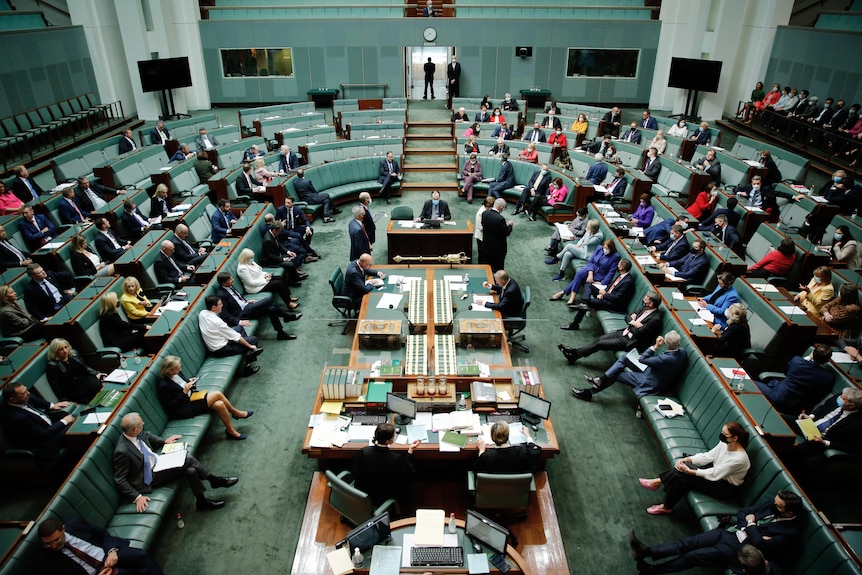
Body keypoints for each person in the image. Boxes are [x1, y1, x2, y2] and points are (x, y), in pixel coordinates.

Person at [628, 491, 803, 575]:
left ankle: (653, 570)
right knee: (687, 543)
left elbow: (759, 545)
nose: (773, 505)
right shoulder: (773, 504)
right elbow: (743, 512)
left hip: (738, 550)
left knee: (692, 556)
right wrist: (751, 528)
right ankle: (647, 551)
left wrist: (751, 523)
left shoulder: (790, 533)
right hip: (728, 531)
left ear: (788, 513)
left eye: (778, 506)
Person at [114, 412, 237, 512]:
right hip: (150, 476)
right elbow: (119, 479)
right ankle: (214, 480)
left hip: (159, 462)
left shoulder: (135, 433)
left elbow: (147, 435)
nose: (143, 426)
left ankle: (202, 502)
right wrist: (137, 497)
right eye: (142, 425)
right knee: (187, 458)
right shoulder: (122, 451)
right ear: (135, 430)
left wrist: (163, 441)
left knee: (191, 470)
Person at [637, 421, 750, 515]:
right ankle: (665, 503)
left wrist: (690, 471)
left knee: (683, 474)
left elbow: (715, 474)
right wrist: (689, 460)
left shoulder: (739, 459)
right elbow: (709, 456)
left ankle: (657, 484)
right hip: (715, 473)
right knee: (682, 478)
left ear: (735, 438)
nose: (722, 435)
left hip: (723, 487)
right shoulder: (726, 443)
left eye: (725, 434)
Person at [573, 330, 688, 402]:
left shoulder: (664, 359)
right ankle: (600, 379)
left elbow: (643, 359)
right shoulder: (683, 352)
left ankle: (589, 392)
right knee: (625, 358)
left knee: (618, 374)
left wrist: (655, 346)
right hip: (654, 371)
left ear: (666, 344)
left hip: (651, 381)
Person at [157, 355, 252, 441]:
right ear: (169, 370)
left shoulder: (177, 373)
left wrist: (189, 381)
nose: (179, 369)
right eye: (177, 369)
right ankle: (236, 413)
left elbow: (182, 383)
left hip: (192, 397)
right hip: (184, 408)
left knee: (220, 404)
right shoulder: (163, 386)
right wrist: (184, 392)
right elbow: (171, 406)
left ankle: (230, 431)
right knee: (217, 394)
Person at [39, 515, 165, 575]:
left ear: (63, 529)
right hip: (96, 573)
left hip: (107, 555)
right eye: (47, 544)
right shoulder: (49, 559)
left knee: (141, 555)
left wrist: (111, 551)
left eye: (56, 540)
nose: (53, 546)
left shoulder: (75, 524)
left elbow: (103, 535)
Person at [559, 292, 663, 365]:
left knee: (600, 344)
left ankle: (574, 354)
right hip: (625, 332)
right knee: (600, 339)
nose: (643, 302)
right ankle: (575, 354)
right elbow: (627, 317)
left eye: (645, 301)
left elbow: (639, 333)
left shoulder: (655, 319)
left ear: (651, 304)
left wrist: (632, 323)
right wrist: (633, 322)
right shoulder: (644, 308)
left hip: (631, 342)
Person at [0, 382, 75, 471]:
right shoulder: (18, 418)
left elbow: (33, 398)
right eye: (24, 393)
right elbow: (43, 434)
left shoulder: (21, 398)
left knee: (69, 417)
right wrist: (64, 421)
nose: (28, 393)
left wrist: (51, 405)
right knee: (72, 429)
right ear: (13, 400)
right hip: (43, 442)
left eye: (26, 390)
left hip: (46, 425)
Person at [216, 271, 298, 342]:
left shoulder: (229, 285)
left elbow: (236, 298)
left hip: (247, 306)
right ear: (224, 283)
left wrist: (245, 301)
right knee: (268, 300)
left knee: (271, 309)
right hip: (242, 313)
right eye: (230, 279)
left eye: (231, 278)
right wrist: (239, 322)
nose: (232, 280)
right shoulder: (221, 294)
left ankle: (281, 333)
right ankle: (287, 316)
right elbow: (224, 314)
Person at [353, 422, 420, 509]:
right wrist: (410, 449)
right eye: (394, 435)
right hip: (383, 495)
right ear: (388, 441)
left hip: (364, 489)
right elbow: (409, 473)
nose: (395, 436)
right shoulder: (395, 459)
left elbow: (356, 469)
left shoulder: (365, 451)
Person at [755, 345, 835, 415]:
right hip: (794, 407)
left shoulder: (796, 361)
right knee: (773, 382)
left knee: (748, 383)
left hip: (776, 396)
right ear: (828, 360)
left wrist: (808, 358)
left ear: (812, 353)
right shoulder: (827, 377)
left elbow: (786, 373)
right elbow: (818, 395)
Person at [198, 296, 263, 376]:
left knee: (239, 327)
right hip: (221, 349)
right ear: (213, 307)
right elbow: (236, 337)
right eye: (220, 304)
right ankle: (247, 368)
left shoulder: (202, 313)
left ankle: (249, 353)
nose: (222, 305)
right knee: (253, 340)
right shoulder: (218, 322)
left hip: (219, 340)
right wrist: (250, 346)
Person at [563, 259, 634, 331]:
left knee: (589, 302)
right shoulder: (621, 275)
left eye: (619, 264)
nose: (617, 265)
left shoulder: (627, 282)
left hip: (614, 304)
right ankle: (583, 302)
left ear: (622, 268)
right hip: (607, 296)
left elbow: (617, 298)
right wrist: (602, 293)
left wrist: (604, 295)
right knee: (588, 285)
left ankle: (575, 324)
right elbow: (610, 286)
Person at [550, 240, 619, 306]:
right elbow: (591, 261)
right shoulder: (599, 248)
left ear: (611, 248)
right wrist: (590, 273)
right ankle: (572, 297)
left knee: (578, 278)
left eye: (606, 248)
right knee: (580, 273)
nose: (604, 249)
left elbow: (611, 272)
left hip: (599, 276)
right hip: (590, 269)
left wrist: (602, 283)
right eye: (604, 247)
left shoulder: (615, 256)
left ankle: (563, 293)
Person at [46, 338, 104, 404]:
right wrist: (63, 399)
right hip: (73, 389)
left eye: (65, 347)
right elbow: (55, 386)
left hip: (86, 380)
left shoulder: (74, 354)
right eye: (61, 349)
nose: (65, 351)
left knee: (99, 386)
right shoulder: (53, 365)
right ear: (55, 351)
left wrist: (96, 373)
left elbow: (85, 366)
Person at [473, 421, 540, 473]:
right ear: (508, 435)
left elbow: (477, 470)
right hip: (517, 488)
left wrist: (481, 450)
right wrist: (528, 435)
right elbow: (534, 451)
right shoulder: (522, 452)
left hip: (492, 488)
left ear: (492, 437)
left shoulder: (486, 457)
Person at [261, 221, 307, 285]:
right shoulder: (268, 240)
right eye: (279, 231)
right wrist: (283, 259)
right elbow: (271, 256)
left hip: (276, 255)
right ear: (274, 230)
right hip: (270, 262)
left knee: (293, 255)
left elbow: (279, 245)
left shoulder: (273, 234)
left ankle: (295, 276)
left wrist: (288, 252)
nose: (280, 233)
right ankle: (292, 281)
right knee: (289, 264)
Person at [481, 198, 514, 272]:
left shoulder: (484, 214)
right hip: (498, 250)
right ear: (501, 207)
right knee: (498, 269)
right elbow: (506, 232)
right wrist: (510, 225)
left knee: (487, 268)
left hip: (486, 246)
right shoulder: (500, 219)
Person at [474, 197, 494, 265]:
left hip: (487, 237)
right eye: (489, 207)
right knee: (482, 256)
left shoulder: (488, 211)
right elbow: (480, 228)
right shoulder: (480, 213)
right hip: (481, 237)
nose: (490, 208)